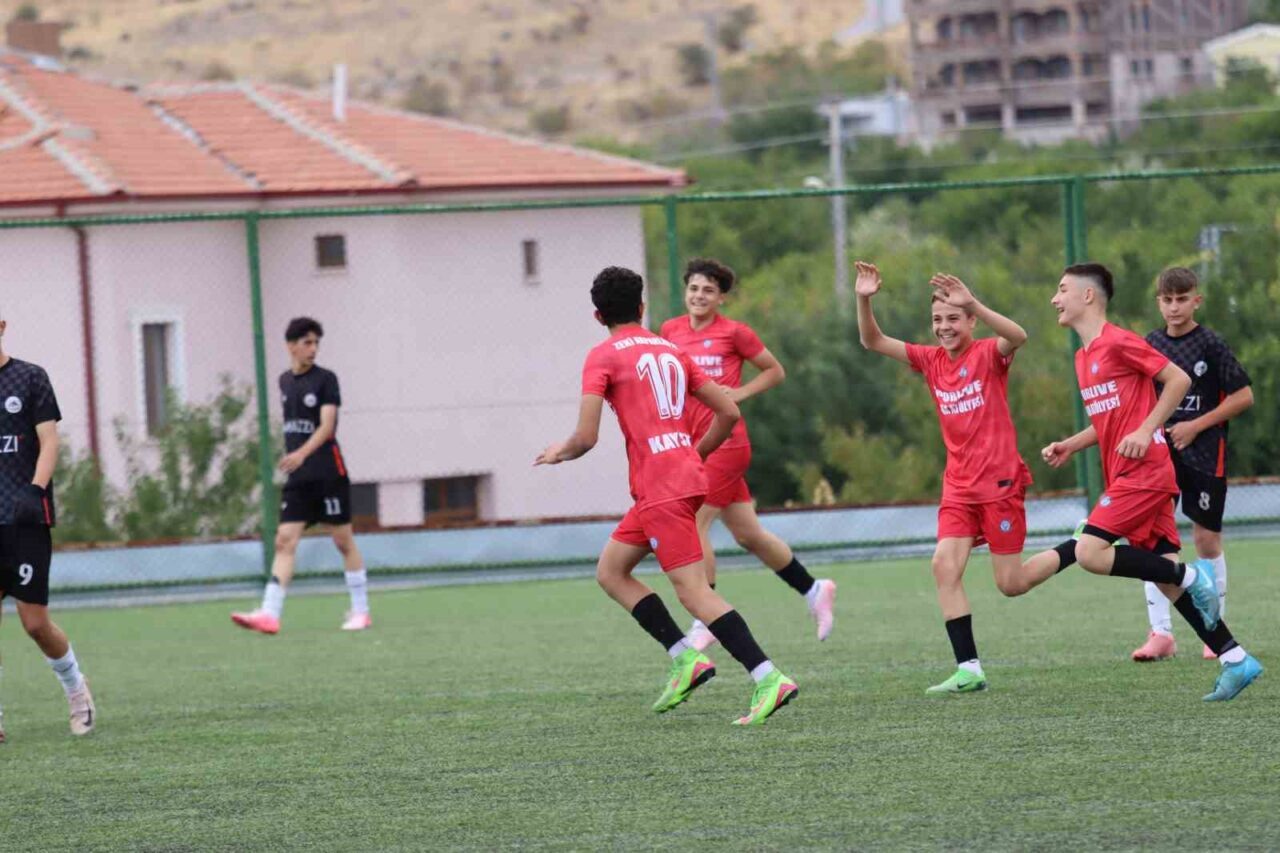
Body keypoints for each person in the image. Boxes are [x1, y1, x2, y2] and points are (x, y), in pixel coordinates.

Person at [535, 266, 798, 725]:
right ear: (641, 307)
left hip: (661, 486)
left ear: (598, 315)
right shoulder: (670, 347)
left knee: (694, 593)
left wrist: (560, 452)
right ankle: (685, 658)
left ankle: (768, 677)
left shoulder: (602, 355)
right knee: (612, 571)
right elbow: (729, 410)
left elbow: (586, 437)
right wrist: (694, 453)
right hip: (682, 477)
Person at [1043, 263, 1261, 701]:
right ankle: (1234, 658)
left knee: (1089, 552)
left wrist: (1147, 432)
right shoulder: (1083, 357)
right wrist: (1072, 443)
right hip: (1126, 472)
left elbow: (1178, 380)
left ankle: (1189, 574)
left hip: (1146, 472)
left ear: (1088, 297)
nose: (1055, 298)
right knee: (1163, 578)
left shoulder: (1120, 341)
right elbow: (1111, 421)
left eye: (1062, 289)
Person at [855, 262, 1067, 695]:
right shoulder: (931, 361)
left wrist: (974, 302)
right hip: (958, 487)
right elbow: (872, 340)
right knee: (942, 565)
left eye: (954, 318)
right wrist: (864, 298)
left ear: (970, 320)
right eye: (937, 319)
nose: (944, 326)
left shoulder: (988, 353)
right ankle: (968, 668)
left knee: (1011, 584)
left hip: (1000, 484)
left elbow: (1019, 335)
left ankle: (1080, 546)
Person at [658, 259, 835, 650]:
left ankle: (705, 617)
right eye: (694, 289)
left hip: (727, 443)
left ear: (721, 297)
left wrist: (740, 393)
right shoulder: (669, 330)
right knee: (748, 534)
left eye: (708, 290)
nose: (699, 296)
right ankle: (814, 589)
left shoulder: (734, 333)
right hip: (692, 443)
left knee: (693, 522)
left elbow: (774, 371)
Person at [1131, 267, 1253, 662]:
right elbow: (1139, 399)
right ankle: (1160, 632)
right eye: (1167, 300)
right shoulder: (1149, 344)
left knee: (1205, 540)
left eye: (1182, 299)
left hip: (1204, 452)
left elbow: (1243, 396)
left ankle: (1213, 631)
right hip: (1158, 455)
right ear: (1158, 303)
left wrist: (1194, 426)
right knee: (1151, 539)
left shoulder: (1211, 344)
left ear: (1196, 301)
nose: (1174, 306)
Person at [232, 317, 371, 635]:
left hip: (327, 473)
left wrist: (300, 455)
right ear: (291, 345)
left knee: (341, 540)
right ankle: (270, 613)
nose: (313, 348)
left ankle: (361, 611)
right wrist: (296, 459)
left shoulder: (326, 380)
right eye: (307, 342)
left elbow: (327, 427)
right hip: (299, 480)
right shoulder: (284, 381)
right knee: (284, 541)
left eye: (316, 342)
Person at [0, 307, 95, 740]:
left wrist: (35, 491)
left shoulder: (30, 378)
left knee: (35, 623)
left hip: (25, 519)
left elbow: (49, 440)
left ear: (2, 327)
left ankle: (77, 691)